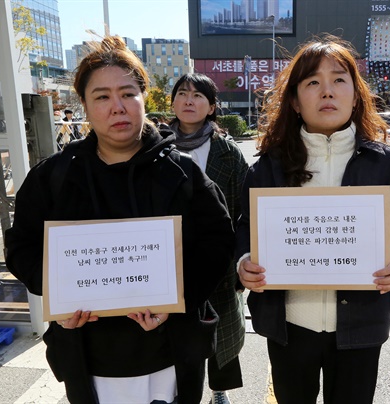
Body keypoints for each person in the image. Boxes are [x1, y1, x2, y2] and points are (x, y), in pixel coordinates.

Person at [4, 36, 235, 404]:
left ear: (144, 97)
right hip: (88, 354)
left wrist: (180, 297)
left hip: (170, 352)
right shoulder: (56, 177)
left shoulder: (182, 173)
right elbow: (21, 247)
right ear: (84, 104)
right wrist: (58, 294)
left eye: (128, 93)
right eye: (101, 96)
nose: (117, 107)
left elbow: (218, 241)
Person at [236, 36, 390, 404]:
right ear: (294, 101)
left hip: (361, 324)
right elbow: (244, 227)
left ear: (356, 95)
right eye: (312, 83)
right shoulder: (270, 166)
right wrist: (243, 263)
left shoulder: (384, 163)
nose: (327, 92)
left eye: (339, 80)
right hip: (288, 325)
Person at [169, 73, 248, 404]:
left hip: (218, 259)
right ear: (172, 102)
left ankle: (219, 389)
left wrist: (242, 258)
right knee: (174, 330)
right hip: (169, 260)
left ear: (212, 107)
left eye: (198, 95)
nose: (189, 100)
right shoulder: (154, 146)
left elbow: (245, 210)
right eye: (182, 93)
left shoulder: (228, 153)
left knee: (223, 329)